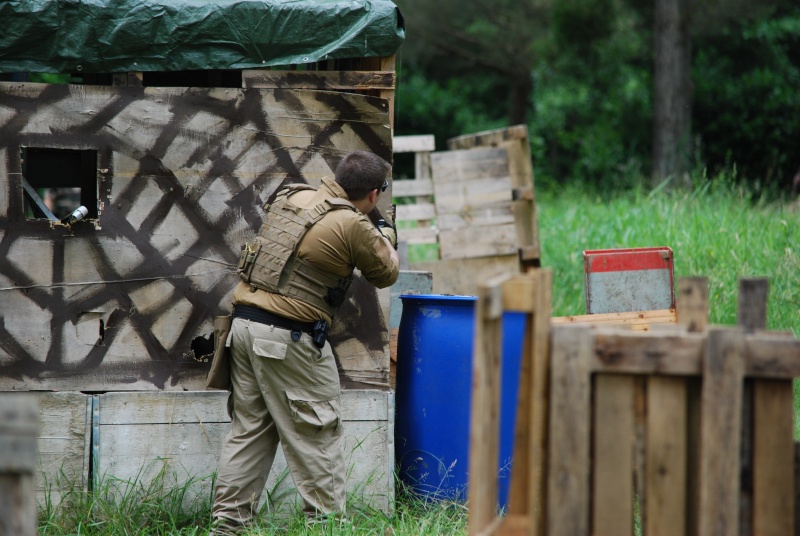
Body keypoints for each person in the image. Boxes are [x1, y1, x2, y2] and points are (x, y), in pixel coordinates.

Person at [211, 150, 400, 533]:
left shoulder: (293, 195)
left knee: (249, 433)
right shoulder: (352, 223)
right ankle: (326, 528)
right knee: (318, 436)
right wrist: (382, 231)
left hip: (243, 329)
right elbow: (386, 271)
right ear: (374, 195)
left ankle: (226, 528)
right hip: (287, 339)